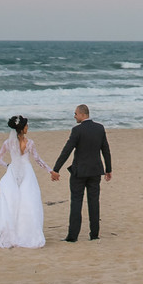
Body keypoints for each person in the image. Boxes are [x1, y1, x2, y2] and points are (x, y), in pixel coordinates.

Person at [0, 115, 53, 248]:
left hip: (13, 173)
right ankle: (27, 233)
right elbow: (38, 160)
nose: (28, 128)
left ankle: (13, 234)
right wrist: (50, 171)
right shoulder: (30, 143)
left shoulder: (8, 143)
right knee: (28, 202)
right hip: (27, 172)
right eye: (26, 126)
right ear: (22, 128)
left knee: (13, 203)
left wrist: (8, 166)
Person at [51, 104, 112, 242]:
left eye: (76, 114)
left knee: (76, 203)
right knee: (94, 202)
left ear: (83, 115)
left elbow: (67, 150)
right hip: (96, 171)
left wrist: (56, 169)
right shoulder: (99, 128)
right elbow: (105, 150)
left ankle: (73, 236)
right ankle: (94, 234)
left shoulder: (77, 130)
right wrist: (108, 169)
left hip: (79, 172)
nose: (74, 116)